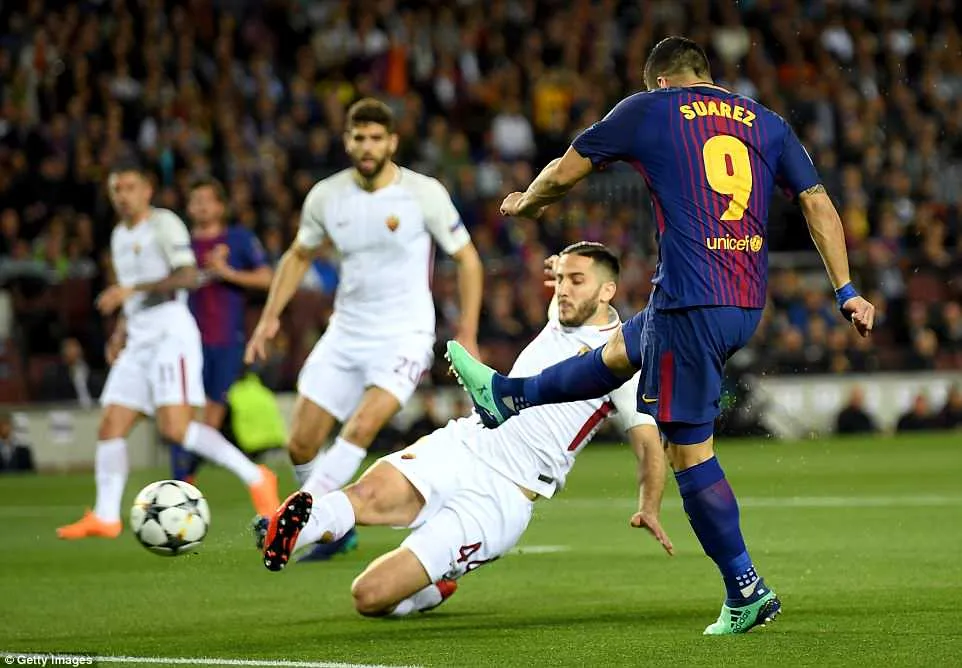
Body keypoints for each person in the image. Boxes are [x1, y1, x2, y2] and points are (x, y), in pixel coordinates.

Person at [446, 36, 876, 634]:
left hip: (691, 302)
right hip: (742, 301)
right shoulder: (766, 121)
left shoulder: (650, 108)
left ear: (662, 82)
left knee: (687, 451)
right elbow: (818, 202)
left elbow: (565, 170)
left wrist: (527, 203)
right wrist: (846, 289)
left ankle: (746, 589)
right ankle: (509, 396)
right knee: (621, 349)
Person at [259, 242, 672, 618]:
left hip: (504, 496)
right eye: (560, 279)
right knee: (368, 494)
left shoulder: (622, 361)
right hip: (464, 445)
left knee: (369, 596)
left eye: (576, 281)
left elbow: (648, 445)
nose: (563, 290)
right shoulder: (560, 314)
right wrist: (561, 267)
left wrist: (649, 505)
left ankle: (428, 591)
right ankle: (297, 529)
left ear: (607, 291)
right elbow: (566, 284)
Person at [245, 97, 484, 561]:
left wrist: (468, 332)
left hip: (405, 334)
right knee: (300, 444)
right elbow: (298, 255)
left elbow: (468, 259)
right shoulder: (326, 196)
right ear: (347, 142)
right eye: (360, 138)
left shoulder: (423, 193)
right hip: (346, 333)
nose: (368, 146)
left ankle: (297, 523)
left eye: (377, 138)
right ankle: (336, 528)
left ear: (392, 142)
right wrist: (269, 317)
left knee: (360, 426)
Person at [56, 164, 279, 540]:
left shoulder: (165, 224)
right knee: (111, 425)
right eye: (116, 189)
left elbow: (187, 276)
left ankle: (257, 477)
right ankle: (106, 516)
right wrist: (120, 331)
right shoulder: (119, 236)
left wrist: (132, 291)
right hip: (138, 338)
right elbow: (130, 291)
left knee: (176, 428)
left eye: (130, 187)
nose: (122, 195)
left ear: (147, 191)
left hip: (170, 335)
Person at [169, 177, 274, 482]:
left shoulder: (238, 239)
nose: (201, 206)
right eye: (195, 200)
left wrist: (227, 273)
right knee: (181, 415)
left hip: (226, 340)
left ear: (220, 206)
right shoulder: (180, 245)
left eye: (207, 199)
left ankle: (185, 481)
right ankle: (181, 482)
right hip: (184, 341)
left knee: (211, 420)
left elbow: (267, 278)